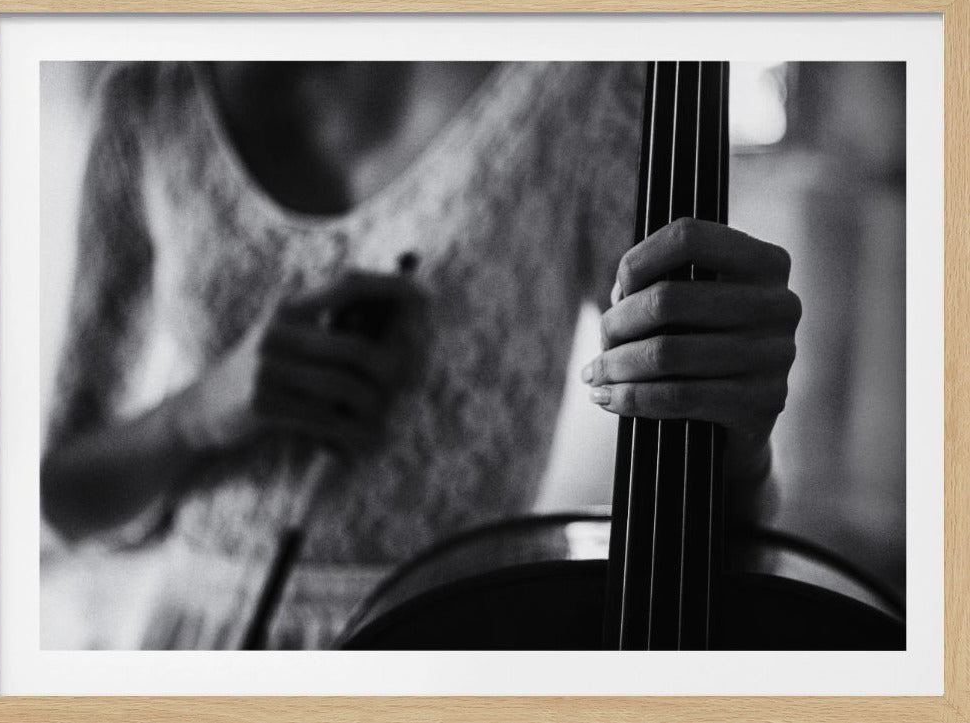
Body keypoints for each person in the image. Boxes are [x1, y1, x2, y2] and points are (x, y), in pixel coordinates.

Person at [41, 61, 800, 649]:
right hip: (204, 653)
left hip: (462, 647)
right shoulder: (148, 98)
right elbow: (63, 498)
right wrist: (197, 413)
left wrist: (734, 429)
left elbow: (700, 492)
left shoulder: (581, 83)